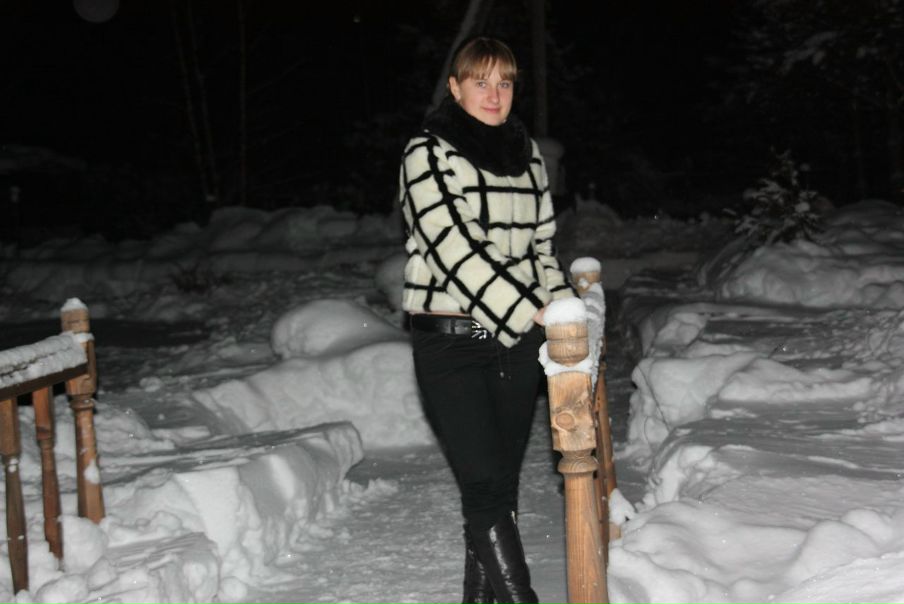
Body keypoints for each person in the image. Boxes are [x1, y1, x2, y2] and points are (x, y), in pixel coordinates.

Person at [397, 36, 574, 604]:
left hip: (516, 345)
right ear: (455, 88)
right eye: (480, 81)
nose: (494, 94)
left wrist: (565, 309)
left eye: (505, 82)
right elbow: (454, 247)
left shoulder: (528, 156)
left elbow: (542, 250)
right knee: (482, 485)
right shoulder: (427, 153)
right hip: (451, 343)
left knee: (499, 486)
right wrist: (530, 309)